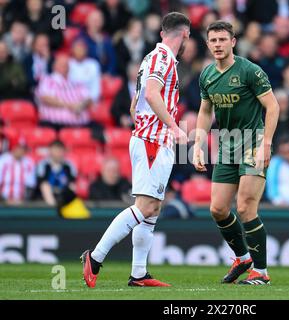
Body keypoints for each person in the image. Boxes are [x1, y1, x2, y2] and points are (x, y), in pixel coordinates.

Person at [81, 12, 191, 288]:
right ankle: (95, 257)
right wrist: (174, 127)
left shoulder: (152, 57)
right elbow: (152, 94)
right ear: (185, 35)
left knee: (152, 209)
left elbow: (137, 100)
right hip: (152, 140)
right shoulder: (164, 58)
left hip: (152, 138)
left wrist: (144, 117)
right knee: (144, 206)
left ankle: (139, 273)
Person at [193, 21, 279, 285]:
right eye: (213, 40)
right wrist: (197, 144)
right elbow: (206, 111)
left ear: (233, 41)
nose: (217, 44)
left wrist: (266, 144)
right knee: (218, 209)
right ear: (208, 44)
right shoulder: (206, 75)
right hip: (227, 145)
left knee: (245, 207)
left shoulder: (249, 71)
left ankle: (261, 273)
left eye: (222, 39)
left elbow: (273, 107)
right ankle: (243, 258)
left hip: (253, 143)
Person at [35, 54, 92, 130]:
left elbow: (88, 99)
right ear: (54, 66)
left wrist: (81, 106)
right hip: (55, 123)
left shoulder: (77, 82)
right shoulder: (48, 80)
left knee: (100, 129)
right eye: (62, 64)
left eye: (66, 64)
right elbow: (45, 98)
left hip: (81, 123)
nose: (65, 67)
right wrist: (69, 106)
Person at [36, 140, 77, 206]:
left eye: (60, 150)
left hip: (63, 193)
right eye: (55, 150)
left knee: (72, 187)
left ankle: (69, 207)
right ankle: (52, 208)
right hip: (46, 195)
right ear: (50, 151)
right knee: (45, 186)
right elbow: (41, 182)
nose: (57, 153)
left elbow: (71, 182)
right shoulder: (43, 165)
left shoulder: (69, 166)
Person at [0, 135, 36, 205]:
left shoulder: (29, 163)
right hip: (2, 202)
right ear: (13, 147)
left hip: (22, 203)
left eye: (23, 148)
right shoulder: (3, 161)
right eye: (19, 148)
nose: (21, 151)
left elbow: (30, 186)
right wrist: (4, 200)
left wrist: (23, 201)